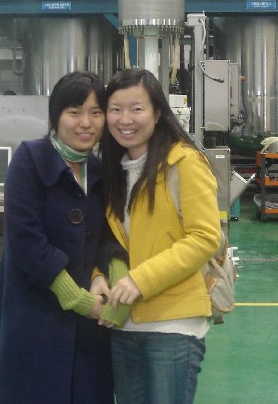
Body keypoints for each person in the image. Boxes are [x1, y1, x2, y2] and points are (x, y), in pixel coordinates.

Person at [0, 71, 124, 404]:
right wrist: (75, 299)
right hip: (36, 311)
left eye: (95, 112)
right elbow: (26, 240)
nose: (86, 123)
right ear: (56, 116)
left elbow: (108, 234)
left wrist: (108, 278)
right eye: (74, 112)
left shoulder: (99, 170)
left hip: (89, 323)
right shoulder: (30, 160)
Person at [99, 68, 222, 404]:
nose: (125, 119)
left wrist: (141, 280)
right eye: (115, 109)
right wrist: (98, 277)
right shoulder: (111, 171)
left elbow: (205, 237)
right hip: (123, 324)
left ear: (156, 113)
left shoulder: (184, 162)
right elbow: (108, 241)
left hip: (173, 327)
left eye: (136, 109)